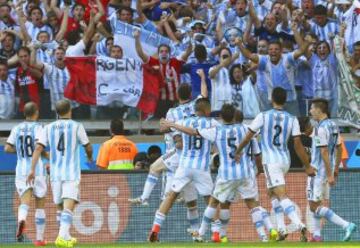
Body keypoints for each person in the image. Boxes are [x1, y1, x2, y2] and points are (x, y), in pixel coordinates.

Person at [175, 104, 279, 242]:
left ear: (221, 117)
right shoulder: (244, 128)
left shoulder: (216, 131)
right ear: (235, 115)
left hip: (226, 175)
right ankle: (263, 236)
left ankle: (201, 233)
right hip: (245, 174)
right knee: (253, 204)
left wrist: (174, 125)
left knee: (213, 203)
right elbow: (257, 134)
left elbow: (193, 132)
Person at [235, 87, 316, 241]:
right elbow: (297, 144)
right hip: (285, 160)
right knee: (272, 193)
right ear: (285, 100)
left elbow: (247, 137)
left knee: (280, 193)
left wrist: (238, 150)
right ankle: (281, 229)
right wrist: (307, 165)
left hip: (270, 160)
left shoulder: (263, 116)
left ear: (272, 98)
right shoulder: (292, 118)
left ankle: (299, 224)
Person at [149, 98, 218, 242]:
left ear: (195, 110)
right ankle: (216, 234)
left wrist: (167, 123)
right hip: (201, 168)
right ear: (207, 111)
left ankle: (155, 229)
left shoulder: (183, 122)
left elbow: (163, 127)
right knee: (210, 201)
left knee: (171, 196)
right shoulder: (213, 123)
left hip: (184, 165)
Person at [27, 99, 93, 248]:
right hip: (71, 173)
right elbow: (87, 146)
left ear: (56, 112)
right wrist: (89, 157)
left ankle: (66, 236)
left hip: (55, 174)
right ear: (70, 109)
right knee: (69, 206)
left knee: (60, 208)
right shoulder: (77, 126)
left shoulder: (48, 128)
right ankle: (61, 237)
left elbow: (38, 148)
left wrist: (32, 169)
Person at [307, 98, 356, 242]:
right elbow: (340, 148)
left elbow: (323, 152)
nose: (310, 111)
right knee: (317, 204)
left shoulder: (320, 129)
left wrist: (329, 175)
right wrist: (335, 169)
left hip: (318, 172)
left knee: (313, 206)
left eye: (312, 108)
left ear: (319, 110)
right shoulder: (334, 125)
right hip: (328, 170)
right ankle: (317, 236)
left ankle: (346, 225)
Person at [4, 102, 47, 246]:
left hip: (21, 170)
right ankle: (40, 239)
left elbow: (7, 148)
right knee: (40, 204)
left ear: (24, 113)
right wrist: (49, 157)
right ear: (36, 113)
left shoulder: (16, 128)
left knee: (25, 202)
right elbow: (39, 148)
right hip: (37, 170)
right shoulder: (40, 128)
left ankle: (22, 220)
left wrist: (21, 152)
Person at [134, 28, 193, 118]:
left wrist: (190, 40)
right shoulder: (154, 62)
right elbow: (140, 53)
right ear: (158, 53)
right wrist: (137, 38)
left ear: (170, 53)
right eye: (161, 51)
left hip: (176, 101)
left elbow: (188, 51)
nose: (164, 53)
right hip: (160, 102)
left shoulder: (176, 62)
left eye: (166, 51)